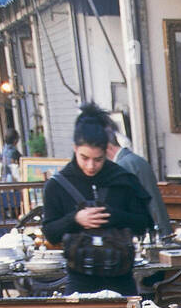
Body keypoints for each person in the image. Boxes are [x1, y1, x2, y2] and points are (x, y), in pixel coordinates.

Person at [42, 102, 151, 296]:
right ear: (75, 148)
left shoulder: (123, 180)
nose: (91, 166)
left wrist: (113, 216)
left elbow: (144, 223)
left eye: (98, 159)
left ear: (107, 151)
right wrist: (75, 219)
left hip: (121, 280)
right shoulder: (57, 185)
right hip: (80, 282)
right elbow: (50, 233)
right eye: (84, 158)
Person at [105, 123, 172, 241]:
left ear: (108, 147)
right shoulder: (135, 159)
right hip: (159, 226)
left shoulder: (122, 165)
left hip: (150, 232)